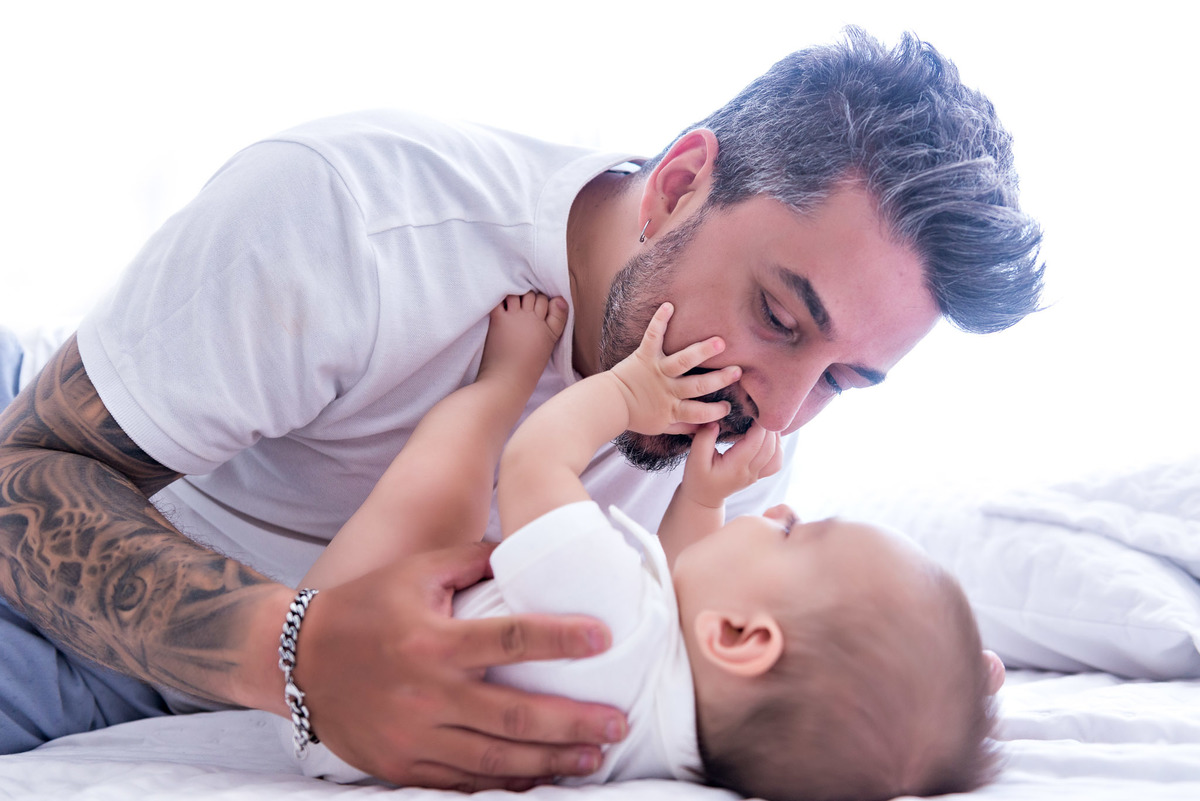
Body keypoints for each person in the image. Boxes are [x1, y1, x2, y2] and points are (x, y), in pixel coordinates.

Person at [0, 27, 1040, 791]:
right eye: (777, 315)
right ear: (678, 185)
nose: (780, 409)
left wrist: (892, 697)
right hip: (97, 494)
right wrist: (297, 652)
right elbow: (23, 475)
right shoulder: (350, 218)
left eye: (843, 383)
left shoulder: (750, 420)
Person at [300, 297, 1003, 800]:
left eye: (795, 532)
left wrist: (626, 392)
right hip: (357, 740)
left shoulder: (614, 623)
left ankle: (501, 379)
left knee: (447, 491)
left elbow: (534, 463)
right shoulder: (682, 742)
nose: (784, 509)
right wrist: (701, 500)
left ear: (740, 637)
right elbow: (680, 587)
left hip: (336, 666)